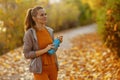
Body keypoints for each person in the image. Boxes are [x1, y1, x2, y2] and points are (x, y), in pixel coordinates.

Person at [23, 6, 63, 80]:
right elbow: (27, 54)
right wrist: (45, 50)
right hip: (40, 70)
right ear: (34, 18)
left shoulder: (50, 31)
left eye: (45, 14)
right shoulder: (30, 33)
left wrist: (57, 43)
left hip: (53, 67)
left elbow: (52, 50)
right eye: (42, 15)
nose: (45, 16)